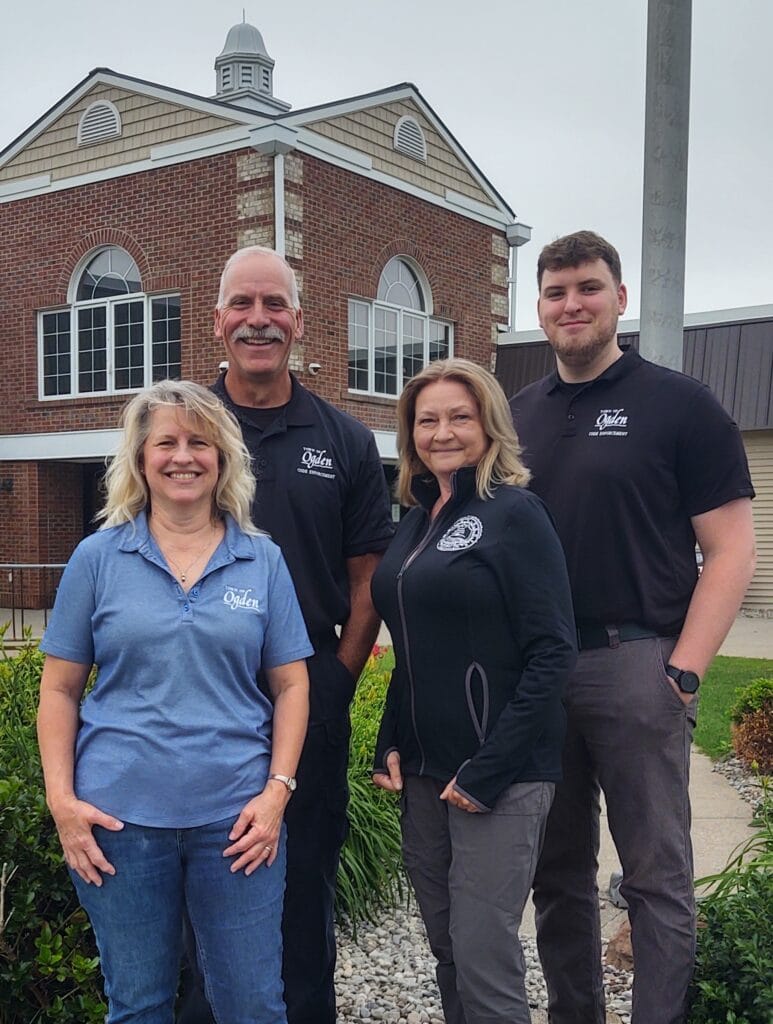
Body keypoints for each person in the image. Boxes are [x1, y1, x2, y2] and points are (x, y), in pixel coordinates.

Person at [509, 230, 757, 1024]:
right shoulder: (515, 417)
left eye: (586, 287)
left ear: (619, 299)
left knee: (654, 876)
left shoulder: (680, 405)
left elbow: (730, 548)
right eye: (554, 292)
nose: (570, 304)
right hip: (538, 674)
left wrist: (683, 671)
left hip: (635, 662)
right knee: (556, 873)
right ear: (539, 309)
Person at [36, 380, 312, 1023]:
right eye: (166, 442)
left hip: (238, 824)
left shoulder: (261, 560)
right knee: (138, 1005)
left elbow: (293, 684)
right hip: (118, 823)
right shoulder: (97, 558)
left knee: (253, 1006)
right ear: (139, 459)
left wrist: (276, 794)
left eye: (200, 443)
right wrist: (63, 804)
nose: (182, 456)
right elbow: (59, 687)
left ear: (223, 460)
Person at [179, 246, 395, 1024]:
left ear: (298, 323)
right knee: (197, 898)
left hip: (306, 701)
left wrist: (336, 678)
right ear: (217, 323)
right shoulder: (182, 431)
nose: (258, 319)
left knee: (303, 891)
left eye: (274, 304)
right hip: (195, 704)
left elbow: (369, 574)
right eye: (243, 304)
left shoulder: (343, 441)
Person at [371, 358, 577, 1024]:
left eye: (459, 416)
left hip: (501, 775)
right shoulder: (413, 520)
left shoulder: (516, 514)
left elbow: (553, 651)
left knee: (485, 958)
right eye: (426, 420)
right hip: (427, 774)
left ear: (488, 424)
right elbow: (411, 645)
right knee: (447, 945)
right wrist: (388, 741)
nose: (442, 432)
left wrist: (489, 771)